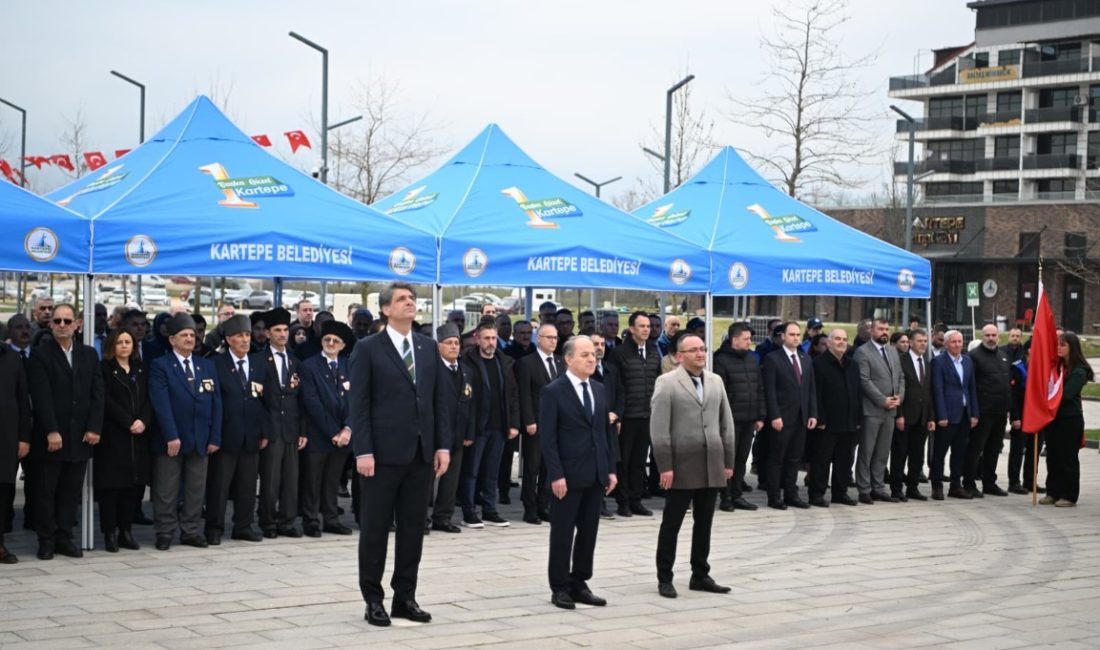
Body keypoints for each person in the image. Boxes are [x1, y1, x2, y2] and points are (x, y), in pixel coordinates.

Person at [348, 282, 451, 627]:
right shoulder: (368, 349)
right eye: (403, 299)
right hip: (381, 455)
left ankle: (404, 597)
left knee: (412, 529)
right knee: (375, 530)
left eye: (412, 299)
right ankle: (373, 599)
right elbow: (358, 405)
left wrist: (441, 445)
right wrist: (363, 450)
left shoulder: (426, 347)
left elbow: (438, 401)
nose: (411, 303)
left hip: (420, 455)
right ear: (386, 309)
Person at [651, 333, 735, 599]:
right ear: (680, 355)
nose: (700, 354)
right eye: (693, 350)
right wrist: (665, 466)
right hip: (681, 464)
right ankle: (665, 577)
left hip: (711, 462)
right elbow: (659, 430)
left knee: (705, 522)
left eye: (703, 349)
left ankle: (700, 574)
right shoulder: (667, 383)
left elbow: (726, 423)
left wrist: (728, 461)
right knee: (672, 523)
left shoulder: (715, 381)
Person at [540, 336, 618, 610]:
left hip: (595, 472)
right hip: (568, 475)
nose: (591, 358)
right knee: (562, 533)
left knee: (589, 532)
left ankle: (580, 581)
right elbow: (548, 439)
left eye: (594, 354)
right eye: (584, 354)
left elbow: (604, 433)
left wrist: (610, 469)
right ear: (568, 359)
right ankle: (559, 586)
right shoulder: (553, 391)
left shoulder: (599, 389)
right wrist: (556, 474)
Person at [27, 304, 104, 560]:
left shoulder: (89, 354)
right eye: (57, 321)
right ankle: (46, 539)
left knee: (71, 491)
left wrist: (94, 427)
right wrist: (51, 430)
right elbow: (40, 396)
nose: (62, 325)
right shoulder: (40, 354)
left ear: (77, 324)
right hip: (52, 436)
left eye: (67, 321)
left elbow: (97, 394)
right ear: (51, 325)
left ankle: (64, 536)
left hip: (80, 436)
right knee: (47, 490)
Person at [147, 313, 222, 550]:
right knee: (166, 489)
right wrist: (171, 435)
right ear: (172, 340)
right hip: (172, 438)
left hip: (200, 438)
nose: (190, 338)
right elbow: (160, 403)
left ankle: (190, 531)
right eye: (184, 335)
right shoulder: (161, 365)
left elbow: (216, 403)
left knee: (195, 488)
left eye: (192, 334)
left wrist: (214, 436)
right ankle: (165, 531)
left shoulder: (206, 365)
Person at [206, 315, 267, 545]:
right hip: (225, 435)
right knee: (219, 486)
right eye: (240, 336)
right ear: (229, 339)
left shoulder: (258, 363)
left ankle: (243, 526)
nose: (245, 340)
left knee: (248, 486)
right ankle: (214, 527)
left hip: (251, 434)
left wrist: (264, 432)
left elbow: (265, 400)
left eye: (248, 335)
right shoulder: (216, 364)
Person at [458, 322, 519, 528]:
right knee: (471, 471)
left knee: (492, 472)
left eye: (493, 338)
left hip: (499, 426)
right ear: (477, 339)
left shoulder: (505, 362)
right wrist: (467, 430)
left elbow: (512, 395)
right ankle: (469, 512)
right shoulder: (467, 361)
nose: (490, 342)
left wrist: (513, 424)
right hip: (477, 427)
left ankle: (490, 510)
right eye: (486, 338)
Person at [97, 329, 152, 552]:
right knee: (112, 489)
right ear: (112, 345)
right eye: (119, 342)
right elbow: (106, 400)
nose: (124, 346)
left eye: (128, 342)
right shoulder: (104, 369)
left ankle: (126, 531)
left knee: (132, 487)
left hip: (139, 437)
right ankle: (110, 532)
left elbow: (150, 399)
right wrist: (128, 421)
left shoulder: (141, 368)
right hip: (114, 437)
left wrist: (143, 421)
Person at [299, 321, 355, 537]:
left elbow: (356, 400)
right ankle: (311, 520)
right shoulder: (309, 365)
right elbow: (312, 402)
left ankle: (331, 519)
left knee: (332, 480)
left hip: (343, 436)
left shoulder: (348, 365)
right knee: (313, 480)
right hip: (319, 434)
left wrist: (348, 429)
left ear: (342, 345)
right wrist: (333, 432)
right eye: (327, 339)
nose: (330, 343)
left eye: (335, 341)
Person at [606, 311, 661, 518]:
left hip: (647, 415)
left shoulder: (654, 352)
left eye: (648, 326)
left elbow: (658, 383)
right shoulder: (619, 353)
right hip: (626, 416)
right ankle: (623, 501)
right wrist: (617, 415)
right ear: (631, 329)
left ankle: (636, 500)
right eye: (641, 326)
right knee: (624, 461)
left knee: (639, 461)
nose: (646, 329)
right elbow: (614, 386)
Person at [259, 308, 306, 538]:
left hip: (291, 428)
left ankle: (287, 521)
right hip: (271, 428)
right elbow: (257, 400)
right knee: (270, 479)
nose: (282, 334)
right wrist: (262, 429)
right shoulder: (258, 360)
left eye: (285, 330)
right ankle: (268, 522)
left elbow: (301, 399)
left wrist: (303, 430)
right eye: (277, 330)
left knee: (291, 479)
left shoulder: (295, 361)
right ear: (268, 333)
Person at [761, 321, 817, 510]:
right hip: (782, 418)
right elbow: (769, 390)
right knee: (777, 458)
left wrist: (812, 413)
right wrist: (774, 415)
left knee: (795, 458)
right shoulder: (772, 358)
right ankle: (774, 496)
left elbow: (810, 389)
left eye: (798, 334)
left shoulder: (805, 358)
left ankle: (792, 494)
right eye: (791, 334)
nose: (795, 338)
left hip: (801, 418)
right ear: (783, 336)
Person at [713, 323, 764, 512]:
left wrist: (760, 416)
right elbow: (720, 392)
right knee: (728, 459)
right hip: (730, 419)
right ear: (734, 340)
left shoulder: (752, 359)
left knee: (742, 458)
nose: (750, 342)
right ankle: (725, 496)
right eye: (746, 339)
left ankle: (737, 494)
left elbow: (759, 388)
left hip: (749, 418)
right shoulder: (721, 360)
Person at [430, 324, 476, 533]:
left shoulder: (466, 371)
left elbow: (471, 404)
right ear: (438, 345)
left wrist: (468, 432)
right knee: (426, 480)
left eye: (457, 343)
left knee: (451, 479)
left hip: (457, 433)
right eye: (449, 343)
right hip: (434, 433)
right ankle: (420, 519)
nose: (454, 347)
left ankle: (443, 517)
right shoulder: (431, 369)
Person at [854, 319, 905, 504]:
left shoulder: (892, 351)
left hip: (891, 409)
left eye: (887, 328)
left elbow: (900, 376)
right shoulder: (863, 352)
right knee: (867, 451)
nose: (884, 332)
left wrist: (899, 397)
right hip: (872, 409)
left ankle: (878, 487)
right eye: (880, 329)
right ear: (871, 331)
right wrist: (882, 400)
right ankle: (864, 488)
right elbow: (864, 380)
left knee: (883, 452)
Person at [809, 329, 861, 507]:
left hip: (849, 422)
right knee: (821, 461)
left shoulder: (852, 365)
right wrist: (819, 418)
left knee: (844, 461)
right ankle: (817, 493)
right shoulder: (818, 364)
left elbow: (857, 393)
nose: (841, 342)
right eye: (837, 339)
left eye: (845, 339)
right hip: (827, 423)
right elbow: (815, 393)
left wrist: (858, 418)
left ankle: (840, 492)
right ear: (829, 342)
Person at [1041, 332, 1093, 507]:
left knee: (1067, 457)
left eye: (1063, 345)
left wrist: (1046, 401)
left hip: (1069, 419)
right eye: (1057, 345)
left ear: (1072, 347)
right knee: (1053, 456)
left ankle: (1069, 495)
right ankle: (1053, 492)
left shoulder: (1079, 370)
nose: (1058, 348)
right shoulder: (1056, 367)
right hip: (1053, 419)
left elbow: (1067, 394)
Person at [516, 324, 562, 524]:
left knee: (549, 468)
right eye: (549, 337)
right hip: (536, 423)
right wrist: (528, 420)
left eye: (555, 337)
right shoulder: (527, 363)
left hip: (556, 424)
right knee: (532, 467)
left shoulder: (560, 362)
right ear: (539, 338)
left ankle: (544, 505)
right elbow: (524, 394)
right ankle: (530, 508)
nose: (553, 341)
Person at [966, 324, 1016, 499]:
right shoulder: (973, 357)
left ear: (999, 337)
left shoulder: (1003, 356)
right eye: (987, 335)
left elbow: (1008, 383)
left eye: (994, 335)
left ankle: (989, 482)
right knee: (975, 448)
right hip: (982, 412)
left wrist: (1010, 408)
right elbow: (969, 386)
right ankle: (969, 483)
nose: (990, 338)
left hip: (1000, 412)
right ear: (982, 336)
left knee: (993, 449)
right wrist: (973, 412)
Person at [930, 330, 979, 501]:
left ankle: (956, 485)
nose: (958, 345)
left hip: (964, 415)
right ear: (946, 344)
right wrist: (941, 415)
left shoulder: (967, 361)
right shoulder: (938, 362)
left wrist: (974, 414)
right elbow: (937, 390)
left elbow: (971, 388)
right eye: (954, 342)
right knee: (940, 452)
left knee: (959, 453)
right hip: (947, 416)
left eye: (960, 342)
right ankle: (936, 485)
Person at [893, 329, 935, 501]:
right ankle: (896, 489)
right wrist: (899, 414)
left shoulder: (927, 363)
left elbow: (929, 392)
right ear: (910, 342)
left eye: (925, 341)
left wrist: (931, 417)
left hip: (922, 417)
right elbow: (896, 389)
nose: (923, 344)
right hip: (905, 416)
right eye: (920, 341)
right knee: (900, 454)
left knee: (917, 455)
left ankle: (913, 487)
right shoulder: (901, 361)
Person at [0, 336, 31, 563]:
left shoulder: (11, 357)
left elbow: (23, 401)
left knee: (3, 494)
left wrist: (23, 437)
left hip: (6, 439)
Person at [1003, 328, 1029, 494]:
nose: (1015, 339)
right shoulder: (1004, 354)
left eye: (1018, 336)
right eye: (1012, 336)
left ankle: (1023, 481)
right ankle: (1013, 481)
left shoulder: (1026, 357)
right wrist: (1014, 415)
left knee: (1026, 448)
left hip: (1028, 409)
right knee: (1014, 448)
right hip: (1012, 405)